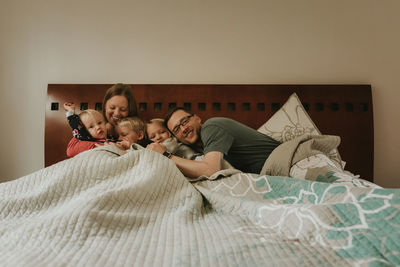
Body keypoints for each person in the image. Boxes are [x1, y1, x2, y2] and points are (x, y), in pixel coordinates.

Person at [146, 107, 281, 178]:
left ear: (197, 118)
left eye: (185, 121)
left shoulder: (211, 126)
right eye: (177, 129)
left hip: (285, 159)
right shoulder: (200, 149)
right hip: (271, 172)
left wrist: (166, 155)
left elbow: (211, 170)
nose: (183, 129)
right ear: (176, 137)